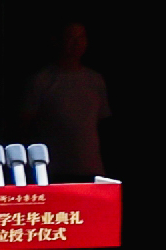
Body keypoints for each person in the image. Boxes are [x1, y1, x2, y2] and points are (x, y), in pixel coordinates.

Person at [21, 20, 111, 180]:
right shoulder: (42, 80)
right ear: (57, 40)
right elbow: (24, 124)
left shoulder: (95, 80)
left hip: (90, 167)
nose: (77, 43)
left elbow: (101, 123)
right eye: (71, 37)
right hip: (53, 169)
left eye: (81, 37)